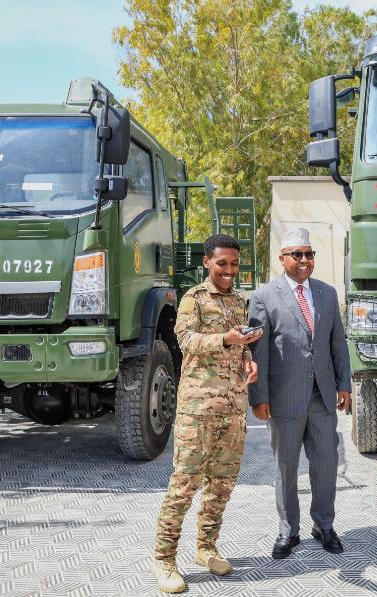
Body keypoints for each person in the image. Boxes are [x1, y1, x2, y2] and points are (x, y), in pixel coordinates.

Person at [152, 234, 262, 594]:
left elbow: (240, 344)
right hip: (197, 410)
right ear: (207, 263)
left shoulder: (239, 300)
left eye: (234, 264)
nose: (229, 270)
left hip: (233, 408)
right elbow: (186, 341)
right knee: (184, 485)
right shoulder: (194, 298)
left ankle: (206, 547)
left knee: (221, 485)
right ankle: (164, 560)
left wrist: (248, 360)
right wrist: (226, 339)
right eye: (222, 263)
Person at [247, 227, 351, 559]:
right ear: (283, 258)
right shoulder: (264, 296)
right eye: (297, 254)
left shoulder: (326, 293)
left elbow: (337, 343)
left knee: (326, 464)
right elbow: (258, 352)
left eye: (309, 254)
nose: (304, 260)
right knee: (286, 467)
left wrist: (344, 385)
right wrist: (258, 397)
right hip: (283, 398)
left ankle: (324, 525)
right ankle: (287, 531)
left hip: (322, 395)